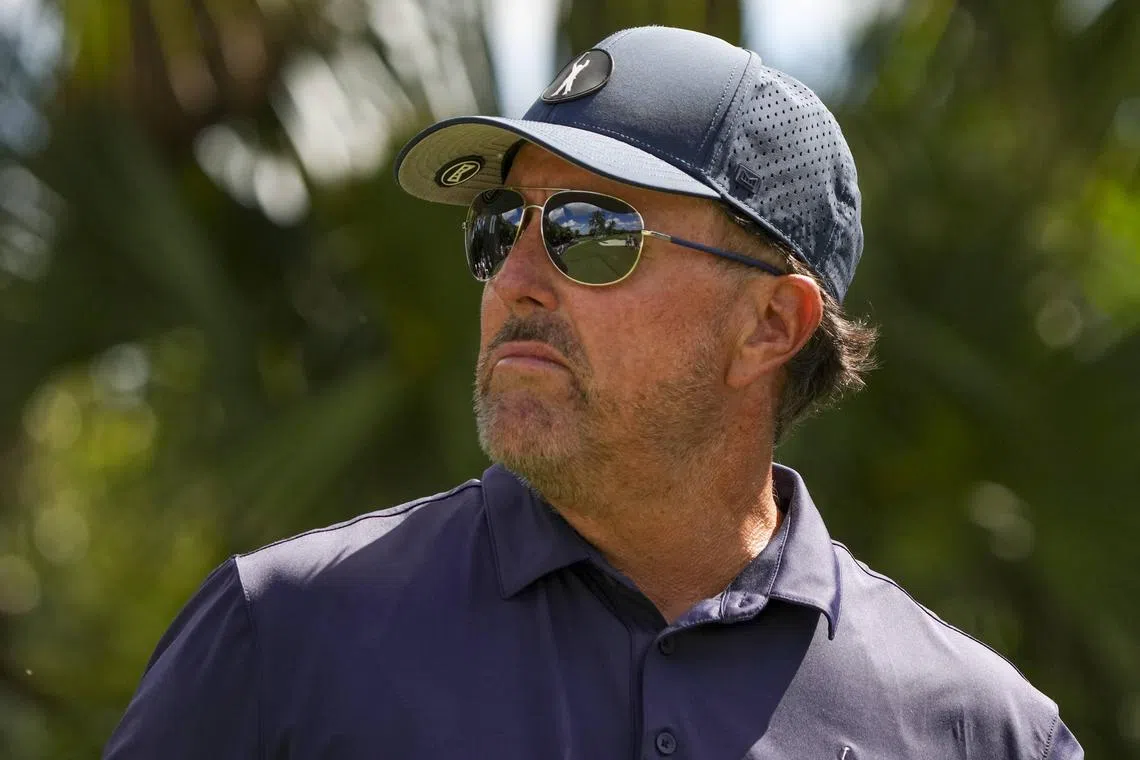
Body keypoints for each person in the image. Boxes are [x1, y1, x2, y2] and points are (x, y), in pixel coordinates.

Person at [105, 25, 1083, 759]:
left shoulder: (983, 732)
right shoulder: (279, 633)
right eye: (499, 224)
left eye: (590, 230)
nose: (515, 277)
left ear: (770, 326)